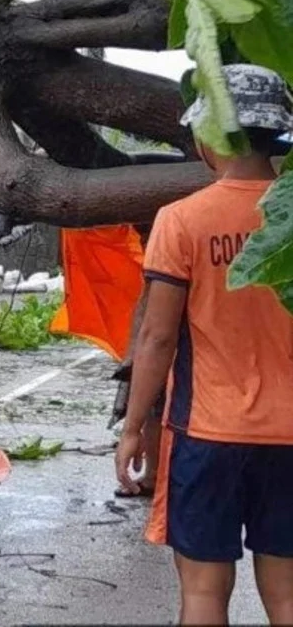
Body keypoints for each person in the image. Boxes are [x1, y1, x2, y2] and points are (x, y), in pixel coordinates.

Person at [117, 63, 293, 625]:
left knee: (202, 595)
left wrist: (132, 427)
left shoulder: (181, 221)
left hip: (207, 435)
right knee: (289, 596)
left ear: (208, 135)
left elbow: (159, 334)